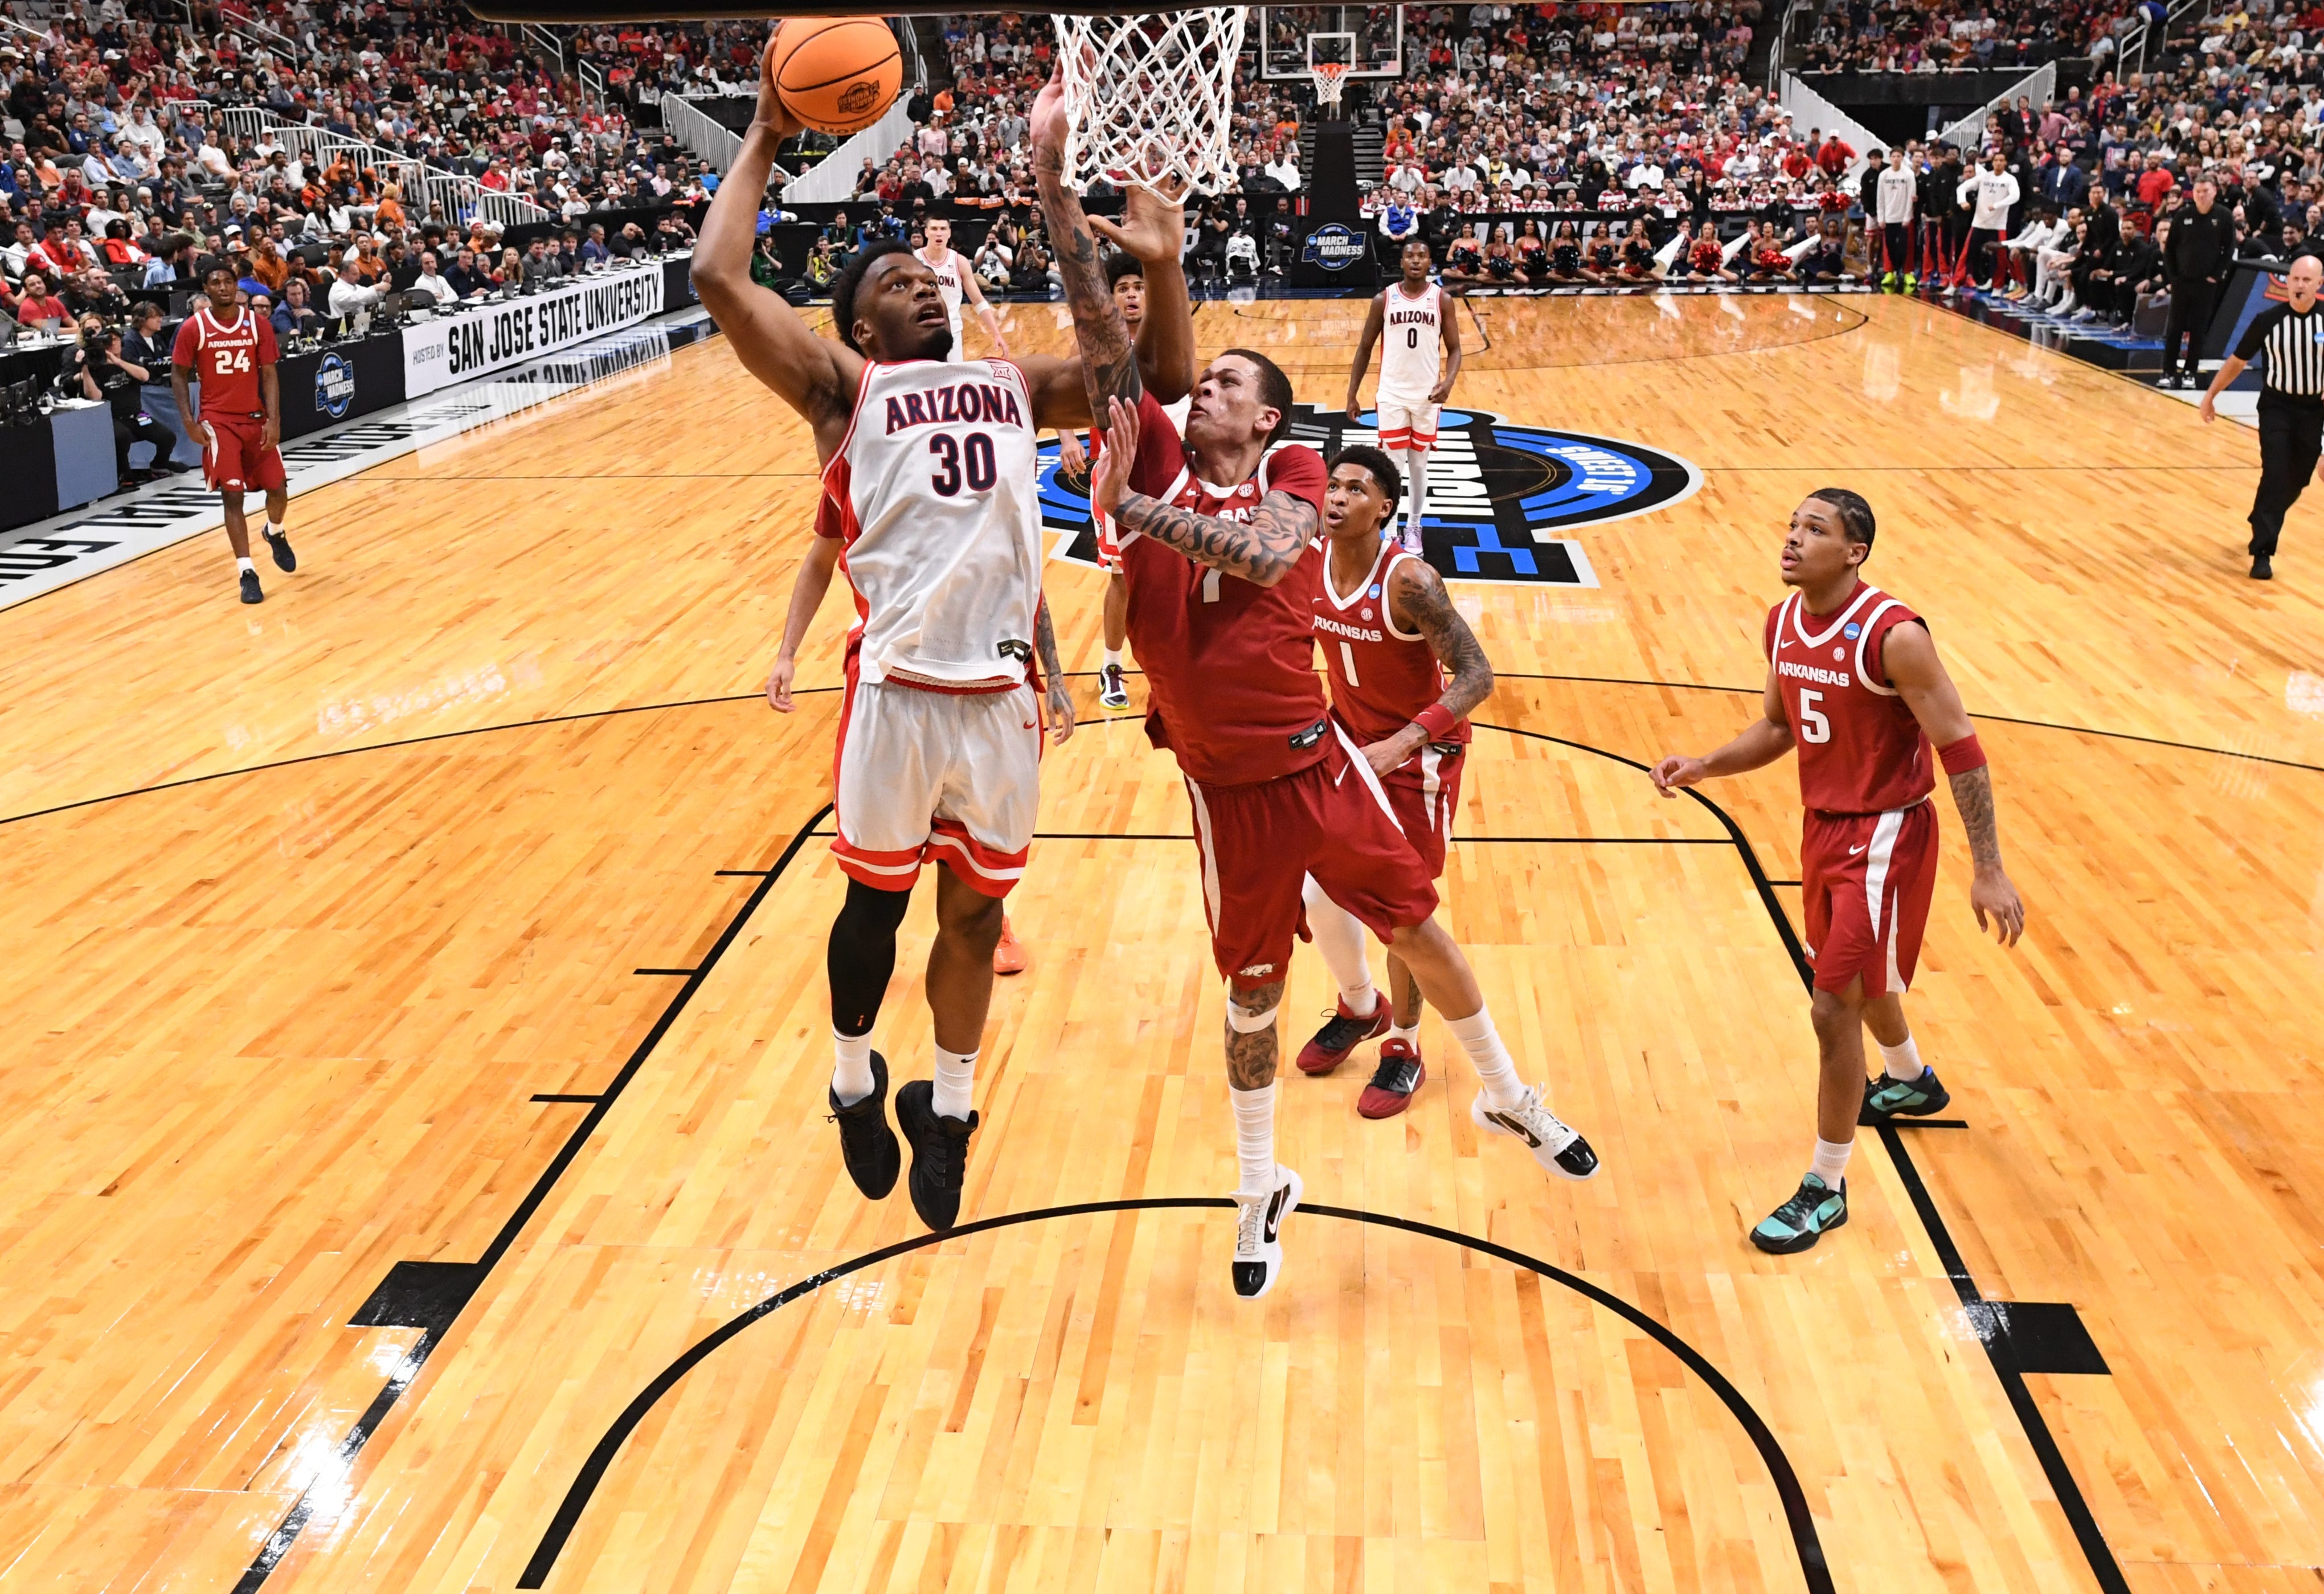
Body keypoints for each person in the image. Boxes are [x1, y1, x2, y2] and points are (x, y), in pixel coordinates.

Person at [1035, 83, 1599, 1303]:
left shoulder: (1296, 465)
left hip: (1317, 755)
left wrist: (1129, 512)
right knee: (1248, 995)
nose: (1208, 395)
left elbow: (1267, 553)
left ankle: (1509, 1091)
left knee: (1419, 926)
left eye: (1228, 383)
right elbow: (1102, 333)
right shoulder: (1161, 444)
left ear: (1271, 411)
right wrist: (1052, 191)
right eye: (1207, 384)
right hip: (1223, 783)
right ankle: (1257, 1187)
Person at [693, 63, 1190, 1235]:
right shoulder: (842, 386)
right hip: (899, 696)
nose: (925, 291)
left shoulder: (1013, 386)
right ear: (862, 323)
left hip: (1000, 700)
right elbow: (719, 274)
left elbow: (1152, 377)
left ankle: (952, 1110)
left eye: (930, 278)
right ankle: (856, 1076)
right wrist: (767, 132)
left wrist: (1080, 209)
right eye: (899, 284)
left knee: (973, 920)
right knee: (874, 911)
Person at [1648, 489, 2026, 1253]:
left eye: (1814, 530)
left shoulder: (1895, 636)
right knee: (1864, 981)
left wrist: (1988, 867)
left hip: (1886, 833)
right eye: (1791, 524)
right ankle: (1911, 1078)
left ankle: (1826, 1184)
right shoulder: (1783, 621)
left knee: (1831, 1008)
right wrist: (1707, 765)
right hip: (1823, 831)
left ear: (1855, 552)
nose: (1792, 538)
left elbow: (1961, 746)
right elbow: (1780, 726)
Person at [1291, 446, 1495, 1118]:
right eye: (1333, 485)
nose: (1338, 496)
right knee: (1317, 893)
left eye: (1356, 488)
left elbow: (1477, 676)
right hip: (1348, 746)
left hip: (1421, 759)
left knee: (1403, 916)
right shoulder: (1305, 562)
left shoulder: (1409, 581)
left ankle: (1404, 1047)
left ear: (1384, 507)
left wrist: (1405, 741)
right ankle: (1360, 1007)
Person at [1087, 253, 1197, 712]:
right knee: (1122, 578)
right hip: (1119, 474)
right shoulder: (1098, 346)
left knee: (1181, 575)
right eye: (1123, 287)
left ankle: (1176, 667)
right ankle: (1112, 664)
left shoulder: (1169, 345)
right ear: (1111, 298)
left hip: (1170, 476)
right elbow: (1063, 387)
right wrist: (1070, 436)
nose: (1132, 294)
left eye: (1139, 286)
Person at [171, 261, 296, 604]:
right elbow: (179, 375)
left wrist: (274, 420)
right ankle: (247, 571)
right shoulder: (193, 328)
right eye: (216, 282)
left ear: (236, 287)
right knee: (233, 495)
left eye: (229, 281)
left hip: (255, 418)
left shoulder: (257, 324)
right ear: (206, 289)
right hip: (218, 421)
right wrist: (188, 422)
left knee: (278, 488)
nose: (223, 287)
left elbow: (269, 373)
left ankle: (274, 531)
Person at [2199, 251, 2324, 580]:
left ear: (2319, 285)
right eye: (2294, 278)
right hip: (2276, 407)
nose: (2299, 285)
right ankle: (2263, 552)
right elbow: (2238, 361)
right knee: (2275, 472)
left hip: (2314, 410)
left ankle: (2262, 515)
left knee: (2299, 478)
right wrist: (2211, 395)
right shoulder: (2268, 320)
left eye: (2306, 280)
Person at [1345, 237, 1463, 552]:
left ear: (1429, 263)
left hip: (1427, 396)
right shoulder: (1384, 300)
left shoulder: (1442, 300)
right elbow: (1365, 348)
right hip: (1392, 394)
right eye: (1409, 256)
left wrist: (1448, 382)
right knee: (1393, 465)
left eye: (1421, 256)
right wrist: (1352, 394)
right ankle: (1392, 531)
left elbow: (1455, 350)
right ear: (1401, 262)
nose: (1415, 261)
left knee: (1419, 465)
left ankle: (1414, 526)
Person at [2161, 177, 2239, 390]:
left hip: (2206, 284)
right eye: (2197, 191)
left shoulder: (2223, 216)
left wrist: (2216, 275)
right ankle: (2168, 372)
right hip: (2182, 281)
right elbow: (2170, 249)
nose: (2201, 195)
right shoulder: (2183, 215)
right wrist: (2173, 277)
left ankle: (2190, 372)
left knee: (2198, 329)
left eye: (2205, 191)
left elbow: (2229, 249)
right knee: (2175, 328)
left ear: (2214, 192)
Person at [80, 322, 180, 481]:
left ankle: (159, 464)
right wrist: (85, 370)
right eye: (109, 341)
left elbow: (145, 376)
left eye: (117, 340)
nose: (114, 344)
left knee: (168, 437)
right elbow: (95, 397)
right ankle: (123, 473)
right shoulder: (96, 366)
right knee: (122, 437)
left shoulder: (127, 359)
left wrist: (118, 362)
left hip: (136, 415)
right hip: (112, 418)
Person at [913, 216, 1006, 362]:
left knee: (952, 381)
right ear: (926, 232)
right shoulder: (913, 260)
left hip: (951, 331)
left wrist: (996, 333)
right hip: (920, 331)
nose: (939, 233)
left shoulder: (959, 262)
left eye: (943, 229)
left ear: (949, 233)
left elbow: (978, 301)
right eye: (934, 229)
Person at [1876, 146, 1916, 287]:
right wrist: (1881, 218)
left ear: (1903, 158)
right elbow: (1880, 198)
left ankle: (1907, 273)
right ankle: (1889, 272)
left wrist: (1907, 217)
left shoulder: (1909, 174)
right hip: (1889, 218)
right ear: (1890, 158)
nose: (1896, 159)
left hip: (1905, 218)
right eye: (1894, 156)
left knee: (1907, 247)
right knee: (1889, 247)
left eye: (1899, 156)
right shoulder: (1884, 175)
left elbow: (1911, 197)